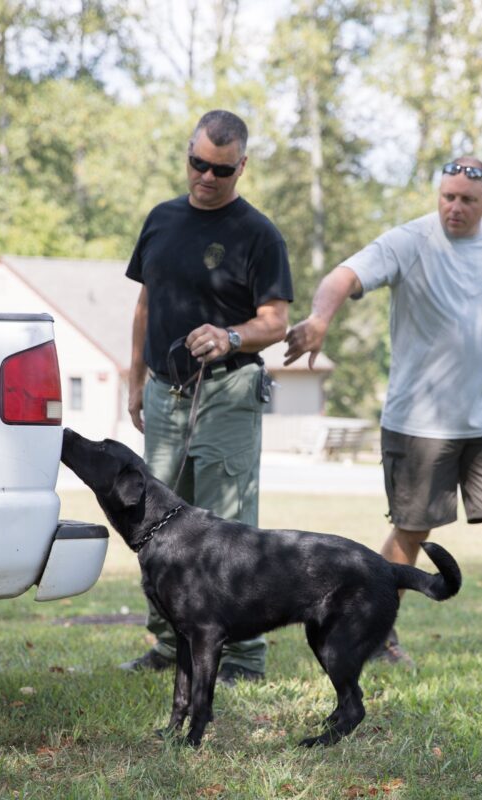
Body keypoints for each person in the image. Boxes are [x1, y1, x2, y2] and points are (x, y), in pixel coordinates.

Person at [284, 157, 482, 673]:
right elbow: (344, 275)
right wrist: (320, 318)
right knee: (410, 532)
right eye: (447, 196)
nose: (455, 207)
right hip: (419, 424)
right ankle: (374, 637)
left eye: (467, 200)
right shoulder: (410, 242)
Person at [121, 109, 293, 684]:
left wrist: (231, 336)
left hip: (228, 392)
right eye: (198, 164)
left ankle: (243, 658)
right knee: (155, 524)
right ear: (187, 155)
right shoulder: (161, 220)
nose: (207, 177)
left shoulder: (258, 234)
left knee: (226, 529)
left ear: (241, 166)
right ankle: (170, 643)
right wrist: (134, 378)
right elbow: (146, 305)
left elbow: (276, 322)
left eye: (221, 170)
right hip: (164, 392)